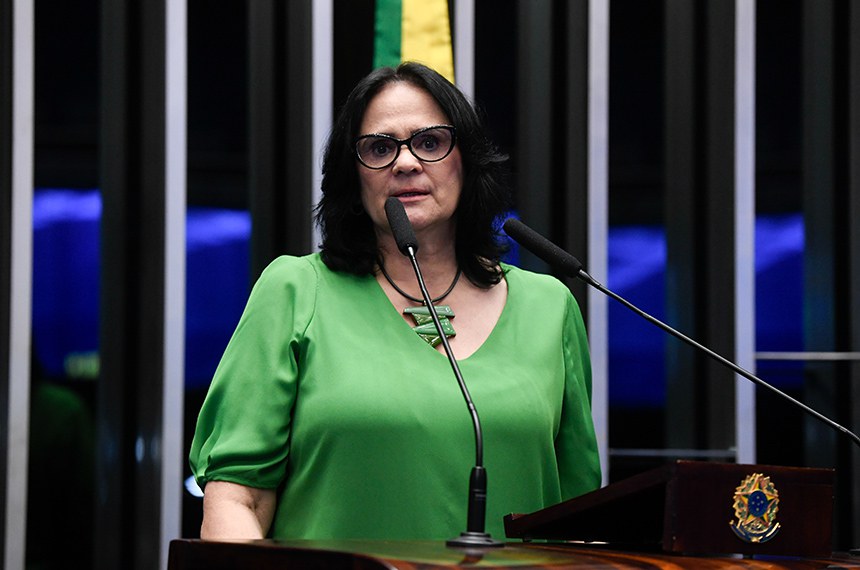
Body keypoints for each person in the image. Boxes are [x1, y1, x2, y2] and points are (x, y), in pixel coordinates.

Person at [189, 61, 601, 541]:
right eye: (380, 148)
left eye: (430, 142)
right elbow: (239, 499)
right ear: (354, 175)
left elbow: (579, 516)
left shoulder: (549, 306)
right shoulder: (296, 291)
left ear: (466, 160)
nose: (406, 163)